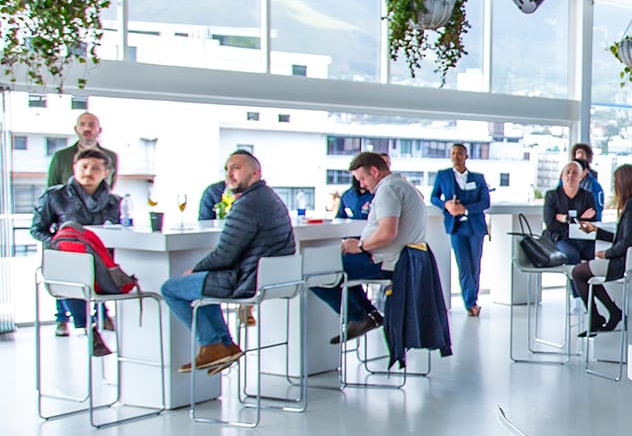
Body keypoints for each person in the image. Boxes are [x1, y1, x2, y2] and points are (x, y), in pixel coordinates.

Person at [158, 151, 294, 374]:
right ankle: (225, 346)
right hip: (268, 278)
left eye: (236, 168)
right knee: (203, 283)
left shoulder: (247, 204)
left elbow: (225, 255)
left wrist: (195, 269)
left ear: (255, 173)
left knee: (171, 289)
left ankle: (212, 344)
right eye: (227, 169)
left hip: (246, 281)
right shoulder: (269, 197)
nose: (229, 174)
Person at [310, 151, 429, 344]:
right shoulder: (404, 186)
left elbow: (387, 232)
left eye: (363, 179)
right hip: (406, 259)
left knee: (314, 271)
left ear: (374, 171)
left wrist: (360, 246)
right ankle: (369, 315)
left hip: (386, 262)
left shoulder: (388, 190)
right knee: (342, 267)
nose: (362, 185)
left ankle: (360, 317)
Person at [31, 147, 121, 354]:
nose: (88, 172)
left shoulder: (114, 202)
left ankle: (103, 320)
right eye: (84, 167)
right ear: (74, 168)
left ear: (106, 172)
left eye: (95, 168)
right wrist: (59, 243)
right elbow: (37, 229)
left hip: (101, 262)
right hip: (67, 260)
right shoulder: (54, 197)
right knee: (71, 272)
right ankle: (88, 327)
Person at [573, 164, 632, 336]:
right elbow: (623, 238)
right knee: (585, 273)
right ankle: (609, 313)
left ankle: (601, 316)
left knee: (578, 272)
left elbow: (628, 242)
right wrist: (596, 231)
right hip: (631, 259)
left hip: (627, 262)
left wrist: (607, 254)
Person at [431, 143, 491, 317]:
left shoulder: (478, 178)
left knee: (475, 265)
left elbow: (485, 202)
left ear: (466, 157)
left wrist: (465, 208)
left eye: (459, 153)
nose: (456, 156)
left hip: (475, 226)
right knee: (463, 265)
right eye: (453, 153)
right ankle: (470, 302)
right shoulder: (443, 176)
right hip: (457, 227)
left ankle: (473, 300)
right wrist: (446, 205)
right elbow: (434, 197)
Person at [542, 162, 598, 265]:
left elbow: (592, 223)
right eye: (567, 172)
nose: (570, 176)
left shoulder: (588, 196)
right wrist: (579, 219)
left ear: (580, 177)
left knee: (598, 254)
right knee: (572, 255)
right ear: (562, 176)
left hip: (583, 239)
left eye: (575, 173)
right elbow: (550, 223)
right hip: (559, 239)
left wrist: (566, 219)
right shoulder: (552, 196)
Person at [46, 111, 119, 189]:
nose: (87, 128)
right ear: (76, 129)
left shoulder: (111, 156)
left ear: (100, 130)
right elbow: (52, 189)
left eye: (91, 125)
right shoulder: (61, 156)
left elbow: (109, 188)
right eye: (82, 124)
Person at [570, 142, 604, 216]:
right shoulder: (566, 178)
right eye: (578, 153)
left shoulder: (593, 183)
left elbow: (597, 208)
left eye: (582, 153)